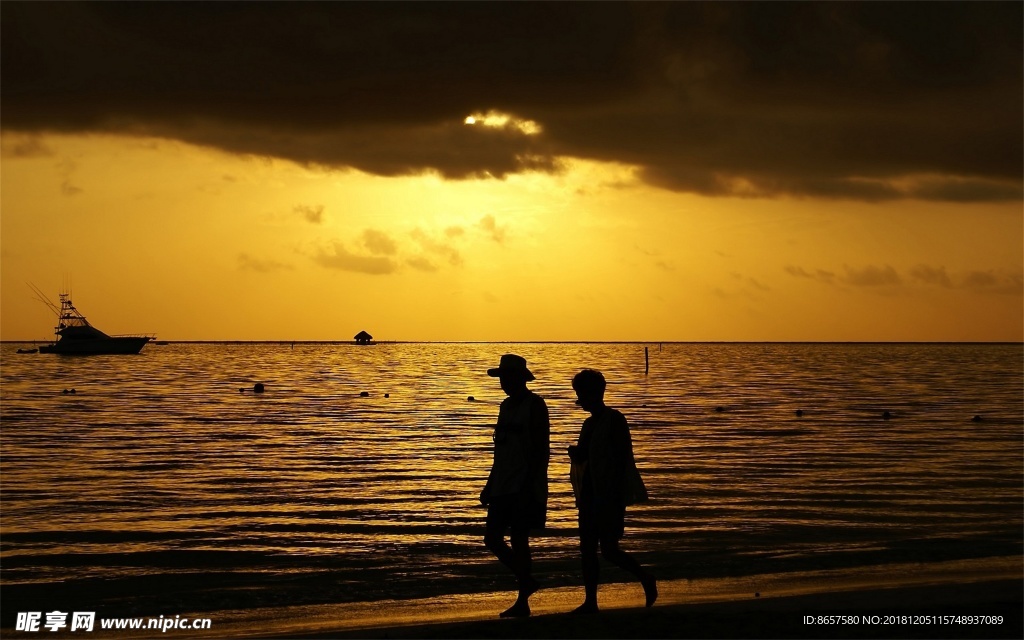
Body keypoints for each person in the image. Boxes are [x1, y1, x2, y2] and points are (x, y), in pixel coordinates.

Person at [568, 368, 657, 614]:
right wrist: (576, 453)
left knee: (608, 549)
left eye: (582, 393)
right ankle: (590, 602)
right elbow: (585, 454)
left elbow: (621, 460)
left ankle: (645, 577)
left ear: (595, 392)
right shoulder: (589, 423)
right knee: (587, 549)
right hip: (589, 492)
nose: (580, 399)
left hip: (608, 495)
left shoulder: (615, 420)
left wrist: (613, 498)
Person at [479, 354, 550, 618]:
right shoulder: (505, 406)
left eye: (508, 377)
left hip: (525, 484)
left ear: (521, 378)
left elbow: (542, 450)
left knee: (519, 539)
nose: (504, 383)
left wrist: (531, 484)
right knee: (493, 539)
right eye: (502, 378)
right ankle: (527, 580)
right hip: (502, 483)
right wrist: (489, 484)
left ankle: (523, 600)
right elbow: (500, 452)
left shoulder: (535, 405)